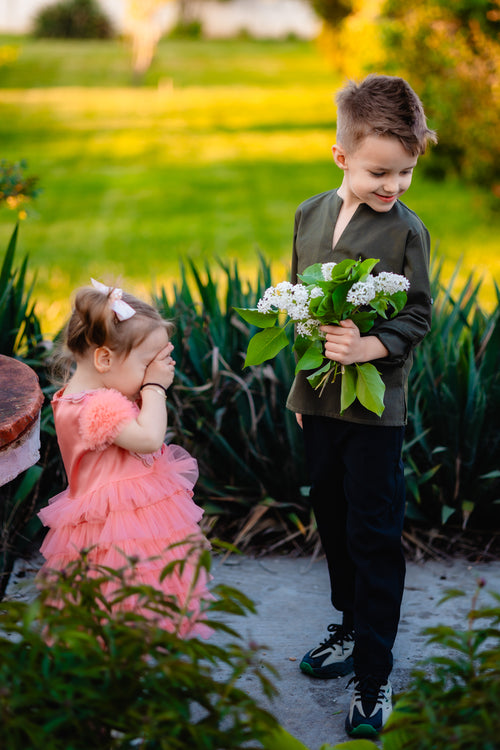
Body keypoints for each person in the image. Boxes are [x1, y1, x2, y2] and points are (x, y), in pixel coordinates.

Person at [286, 75, 437, 737]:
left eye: (406, 172)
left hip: (376, 413)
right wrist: (303, 378)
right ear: (342, 155)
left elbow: (419, 315)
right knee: (334, 517)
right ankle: (348, 625)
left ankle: (374, 675)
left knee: (374, 536)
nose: (393, 186)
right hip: (317, 405)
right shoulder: (309, 214)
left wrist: (371, 344)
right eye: (381, 171)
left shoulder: (407, 233)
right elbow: (299, 303)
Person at [38, 279, 211, 639]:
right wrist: (154, 389)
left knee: (122, 597)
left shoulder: (80, 395)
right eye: (148, 363)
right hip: (120, 531)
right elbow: (148, 439)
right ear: (104, 358)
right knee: (128, 592)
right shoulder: (99, 406)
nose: (156, 371)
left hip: (115, 523)